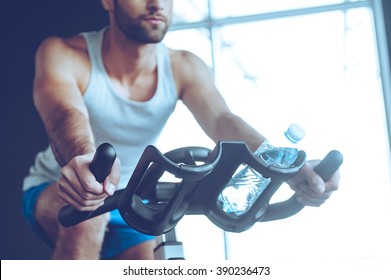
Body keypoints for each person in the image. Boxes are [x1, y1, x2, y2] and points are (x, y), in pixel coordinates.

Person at [22, 0, 340, 260]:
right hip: (60, 187)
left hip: (133, 198)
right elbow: (64, 114)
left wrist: (283, 162)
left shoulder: (184, 66)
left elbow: (221, 121)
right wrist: (85, 163)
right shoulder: (63, 53)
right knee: (87, 215)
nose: (156, 4)